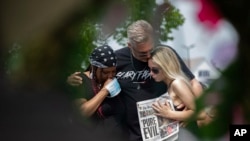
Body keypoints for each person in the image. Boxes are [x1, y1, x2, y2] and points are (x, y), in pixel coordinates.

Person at [67, 20, 203, 141]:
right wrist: (70, 80)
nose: (149, 56)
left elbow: (192, 83)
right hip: (135, 134)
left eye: (151, 49)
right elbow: (90, 77)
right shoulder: (116, 59)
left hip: (169, 132)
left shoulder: (163, 54)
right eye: (143, 54)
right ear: (130, 46)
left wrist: (189, 113)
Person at [68, 45, 126, 140]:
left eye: (113, 71)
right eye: (106, 72)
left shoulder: (115, 80)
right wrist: (105, 90)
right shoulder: (80, 80)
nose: (110, 76)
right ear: (94, 68)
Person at [149, 46, 205, 132]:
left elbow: (200, 114)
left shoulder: (177, 84)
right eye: (150, 69)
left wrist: (170, 114)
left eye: (155, 70)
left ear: (165, 67)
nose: (151, 73)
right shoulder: (170, 85)